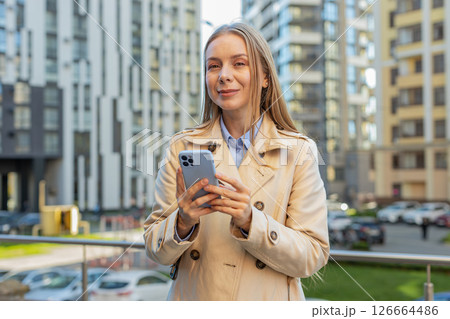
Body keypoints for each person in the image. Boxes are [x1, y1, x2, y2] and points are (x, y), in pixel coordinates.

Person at [143, 22, 329, 301]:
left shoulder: (299, 152)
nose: (224, 76)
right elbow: (154, 248)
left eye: (239, 64)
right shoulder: (181, 147)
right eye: (213, 66)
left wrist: (250, 221)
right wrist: (183, 222)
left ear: (265, 76)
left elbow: (312, 255)